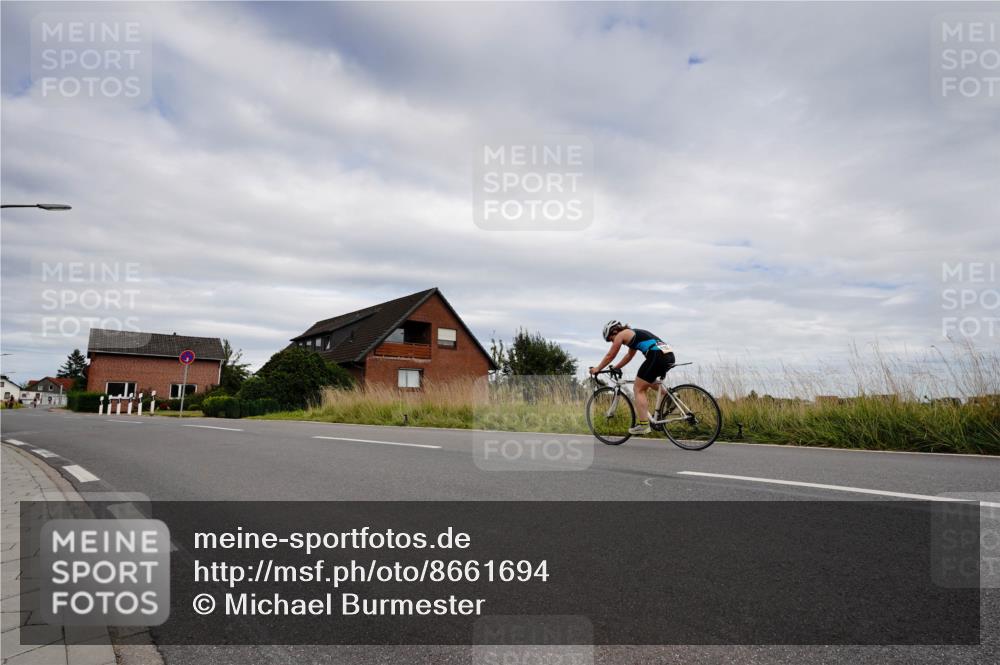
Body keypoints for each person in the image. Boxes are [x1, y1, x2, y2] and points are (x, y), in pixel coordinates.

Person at [590, 320, 675, 435]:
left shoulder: (621, 334)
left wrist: (598, 368)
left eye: (611, 339)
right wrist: (616, 367)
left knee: (638, 389)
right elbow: (629, 355)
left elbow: (610, 355)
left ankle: (643, 424)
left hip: (656, 356)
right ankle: (670, 396)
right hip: (668, 355)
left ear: (614, 331)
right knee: (646, 380)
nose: (612, 342)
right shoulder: (633, 334)